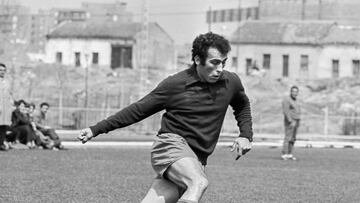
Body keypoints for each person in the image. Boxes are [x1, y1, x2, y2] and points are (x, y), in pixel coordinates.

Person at [78, 32, 253, 203]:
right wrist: (96, 129)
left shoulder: (231, 82)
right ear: (198, 60)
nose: (220, 69)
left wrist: (245, 135)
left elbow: (242, 105)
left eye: (223, 62)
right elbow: (138, 110)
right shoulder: (175, 84)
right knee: (198, 182)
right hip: (170, 146)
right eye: (214, 63)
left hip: (196, 157)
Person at [281, 86, 301, 161]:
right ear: (291, 92)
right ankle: (284, 154)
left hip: (297, 121)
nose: (295, 93)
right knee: (288, 137)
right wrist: (290, 120)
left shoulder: (296, 101)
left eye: (296, 92)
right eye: (293, 91)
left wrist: (298, 121)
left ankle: (290, 154)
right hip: (290, 121)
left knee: (293, 138)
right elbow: (286, 111)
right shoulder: (287, 100)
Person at [0, 63, 14, 151]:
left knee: (3, 126)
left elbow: (10, 94)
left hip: (6, 107)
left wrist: (11, 103)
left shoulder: (7, 82)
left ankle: (1, 143)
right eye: (0, 70)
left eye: (3, 70)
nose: (2, 72)